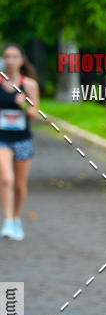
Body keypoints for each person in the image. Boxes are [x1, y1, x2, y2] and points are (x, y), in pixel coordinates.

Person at [0, 43, 39, 241]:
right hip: (1, 139)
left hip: (22, 139)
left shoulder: (29, 84)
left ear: (21, 61)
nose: (10, 61)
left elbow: (35, 114)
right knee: (6, 178)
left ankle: (16, 219)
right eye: (7, 57)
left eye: (15, 57)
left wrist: (23, 105)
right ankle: (7, 221)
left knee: (20, 186)